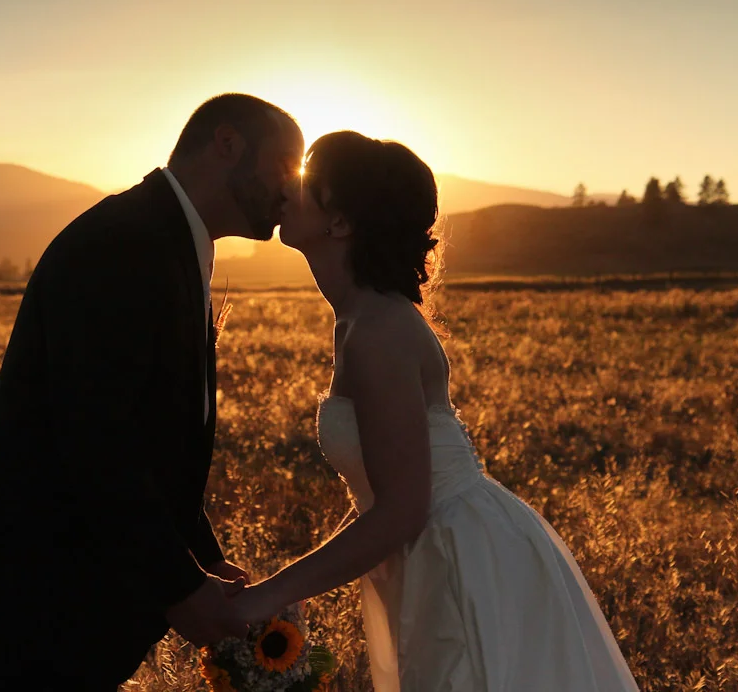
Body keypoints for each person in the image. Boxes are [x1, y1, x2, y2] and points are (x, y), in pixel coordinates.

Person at [0, 93, 306, 690]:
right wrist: (184, 591)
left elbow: (155, 438)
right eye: (284, 165)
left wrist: (202, 560)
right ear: (227, 144)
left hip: (73, 586)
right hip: (31, 589)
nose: (290, 189)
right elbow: (95, 440)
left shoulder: (170, 240)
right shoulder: (123, 243)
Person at [233, 131, 640, 691]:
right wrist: (288, 584)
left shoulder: (378, 331)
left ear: (341, 223)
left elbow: (401, 510)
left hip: (458, 562)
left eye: (308, 178)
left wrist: (272, 593)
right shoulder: (360, 317)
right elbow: (387, 493)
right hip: (433, 548)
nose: (287, 185)